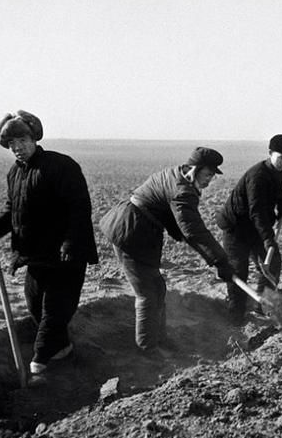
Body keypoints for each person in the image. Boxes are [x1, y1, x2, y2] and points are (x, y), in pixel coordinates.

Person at [0, 111, 98, 375]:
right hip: (36, 255)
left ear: (34, 137)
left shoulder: (60, 166)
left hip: (66, 256)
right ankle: (64, 350)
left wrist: (70, 242)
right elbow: (13, 211)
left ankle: (38, 369)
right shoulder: (15, 173)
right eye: (11, 144)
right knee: (34, 305)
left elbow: (79, 208)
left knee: (55, 311)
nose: (17, 148)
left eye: (21, 140)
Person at [99, 147, 234, 352]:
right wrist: (219, 260)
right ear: (194, 170)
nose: (209, 181)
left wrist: (190, 241)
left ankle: (158, 341)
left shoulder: (175, 174)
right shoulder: (183, 191)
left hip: (140, 229)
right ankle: (147, 348)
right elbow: (193, 230)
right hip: (130, 231)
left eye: (212, 176)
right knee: (147, 293)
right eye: (207, 175)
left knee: (157, 288)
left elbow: (176, 220)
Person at [216, 135, 282, 323]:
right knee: (238, 271)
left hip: (256, 227)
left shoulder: (279, 172)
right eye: (280, 157)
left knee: (273, 262)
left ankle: (262, 306)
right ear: (270, 153)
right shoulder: (257, 176)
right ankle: (235, 316)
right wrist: (268, 239)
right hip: (236, 228)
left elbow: (281, 194)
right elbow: (257, 212)